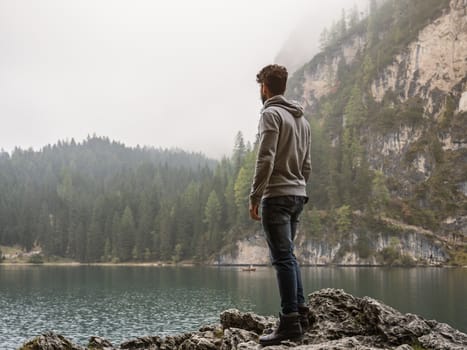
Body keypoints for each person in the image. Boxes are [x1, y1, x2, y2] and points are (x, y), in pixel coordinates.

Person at [249, 64, 312, 346]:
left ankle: (289, 323)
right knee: (290, 256)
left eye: (260, 86)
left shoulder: (270, 114)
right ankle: (301, 312)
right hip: (298, 194)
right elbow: (307, 165)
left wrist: (254, 196)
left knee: (282, 258)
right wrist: (299, 185)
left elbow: (266, 158)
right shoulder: (302, 121)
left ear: (265, 87)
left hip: (276, 196)